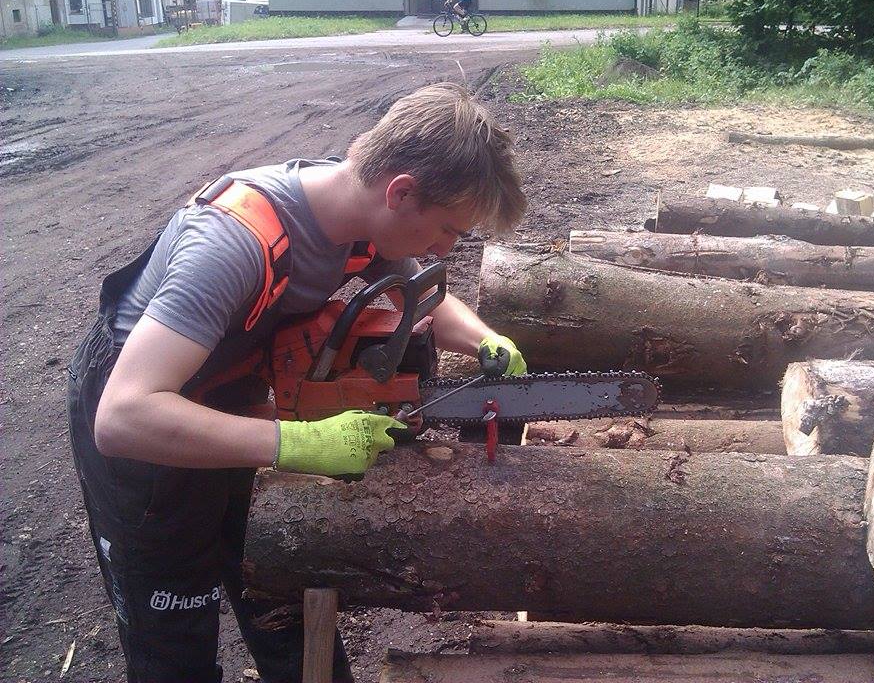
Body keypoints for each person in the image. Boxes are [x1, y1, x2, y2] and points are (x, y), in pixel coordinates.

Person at [67, 82, 528, 683]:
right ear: (401, 192)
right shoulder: (232, 243)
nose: (447, 247)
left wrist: (485, 339)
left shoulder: (361, 216)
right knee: (175, 639)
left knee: (277, 591)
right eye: (447, 228)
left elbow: (420, 298)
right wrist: (300, 443)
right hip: (147, 411)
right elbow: (122, 416)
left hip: (230, 393)